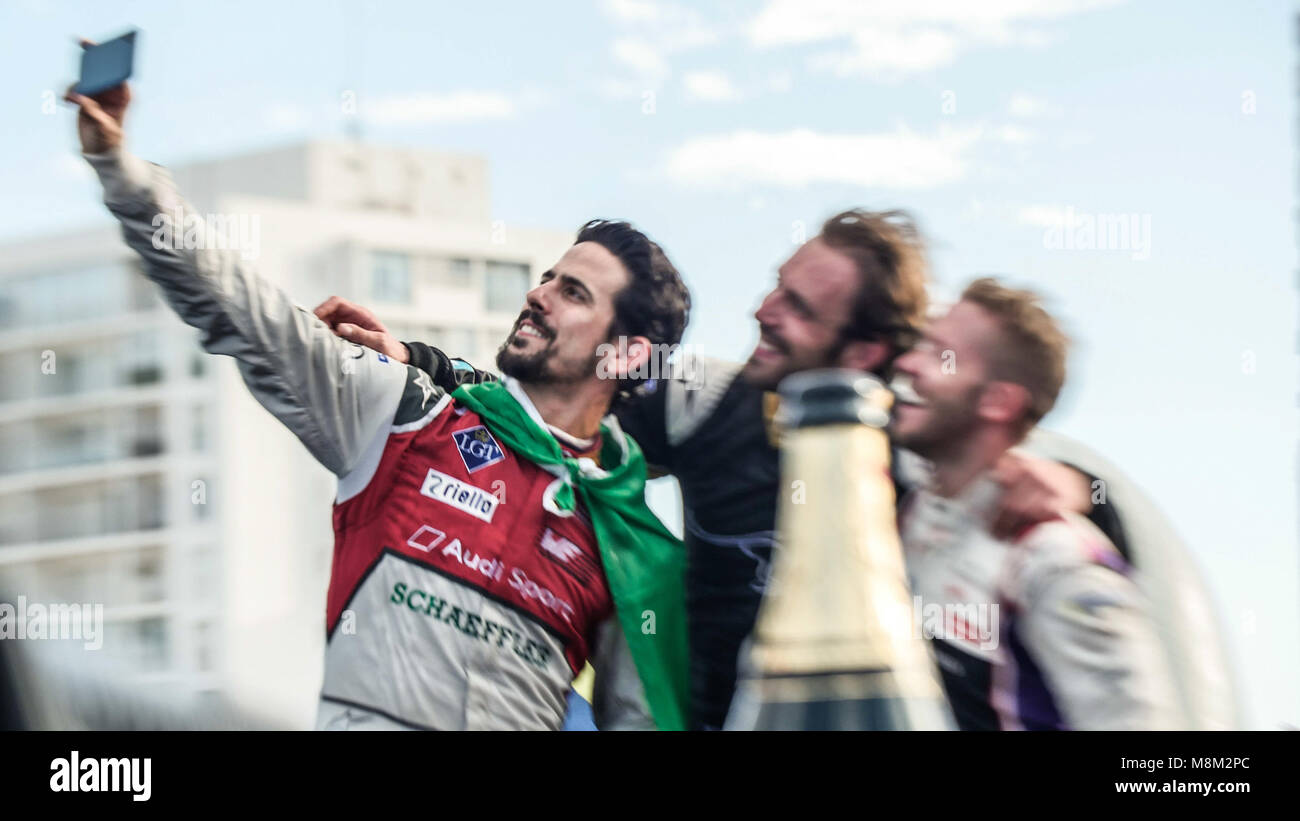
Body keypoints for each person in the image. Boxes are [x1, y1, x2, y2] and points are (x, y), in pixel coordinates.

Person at [317, 211, 1127, 729]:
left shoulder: (913, 466)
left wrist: (1082, 492)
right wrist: (419, 362)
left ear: (867, 352)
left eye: (798, 308)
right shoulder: (711, 399)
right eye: (775, 286)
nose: (761, 313)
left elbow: (1040, 510)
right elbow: (561, 396)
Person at [65, 74, 693, 730]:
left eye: (574, 293)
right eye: (546, 277)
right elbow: (239, 308)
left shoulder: (640, 549)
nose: (539, 295)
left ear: (626, 355)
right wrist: (123, 171)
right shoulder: (406, 414)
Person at [891, 278, 1176, 729]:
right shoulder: (896, 504)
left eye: (939, 355)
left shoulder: (1055, 559)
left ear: (998, 401)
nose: (907, 363)